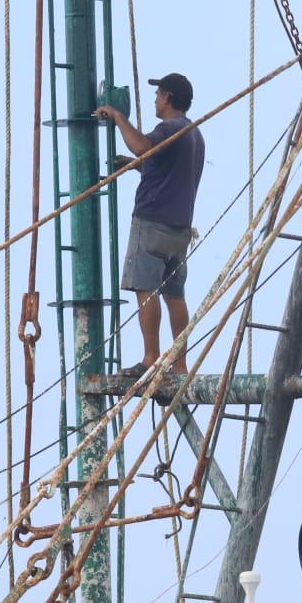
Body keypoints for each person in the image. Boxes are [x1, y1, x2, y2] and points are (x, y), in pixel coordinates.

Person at [94, 72, 206, 376]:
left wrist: (117, 116)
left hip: (152, 223)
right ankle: (180, 364)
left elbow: (142, 146)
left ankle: (150, 358)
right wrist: (137, 168)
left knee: (146, 289)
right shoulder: (194, 134)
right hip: (179, 230)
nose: (155, 100)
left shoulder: (169, 127)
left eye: (158, 95)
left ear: (168, 97)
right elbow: (164, 170)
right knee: (175, 295)